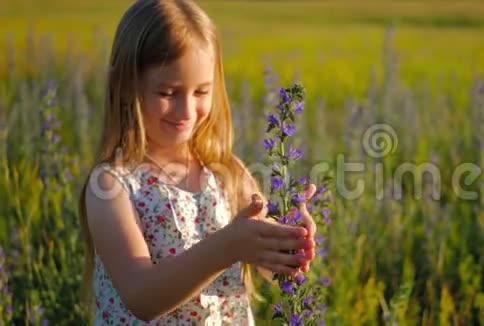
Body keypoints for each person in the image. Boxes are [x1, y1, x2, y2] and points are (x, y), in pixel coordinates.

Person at [77, 0, 318, 324]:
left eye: (201, 92)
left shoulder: (225, 171)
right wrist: (228, 247)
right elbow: (142, 297)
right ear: (126, 86)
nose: (186, 111)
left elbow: (265, 261)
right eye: (168, 93)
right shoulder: (111, 185)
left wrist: (290, 244)